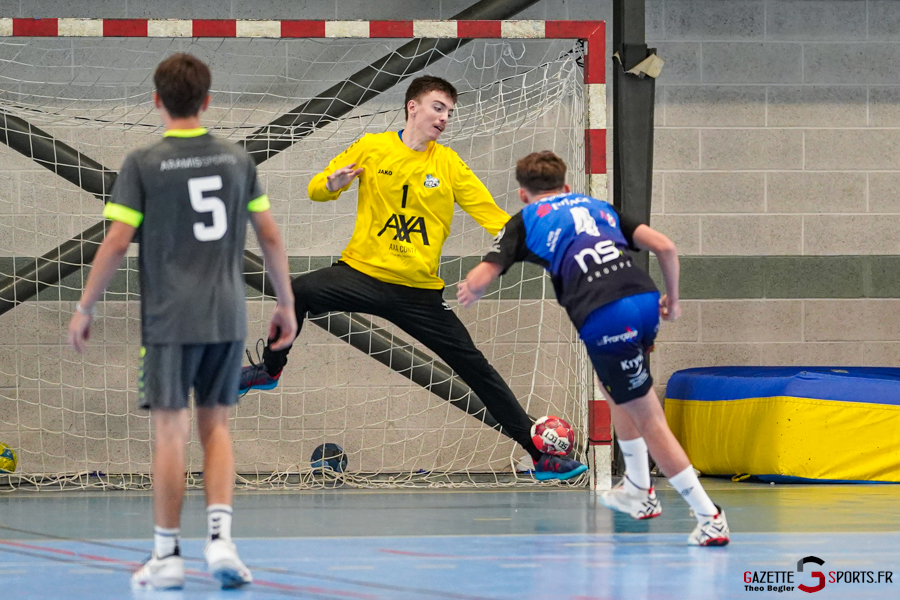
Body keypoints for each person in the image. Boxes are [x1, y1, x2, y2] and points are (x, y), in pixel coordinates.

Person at [239, 75, 586, 481]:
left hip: (418, 294)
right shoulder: (372, 147)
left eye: (449, 112)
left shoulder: (449, 164)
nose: (444, 118)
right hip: (361, 274)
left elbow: (494, 218)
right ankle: (270, 369)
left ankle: (541, 456)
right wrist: (332, 184)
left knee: (476, 368)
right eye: (438, 108)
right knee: (296, 292)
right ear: (412, 107)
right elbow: (317, 188)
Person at [67, 53, 298, 590]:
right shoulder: (237, 160)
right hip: (225, 314)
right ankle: (221, 543)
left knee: (170, 433)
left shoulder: (143, 163)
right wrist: (285, 303)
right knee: (216, 428)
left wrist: (85, 307)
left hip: (168, 320)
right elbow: (270, 236)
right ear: (207, 101)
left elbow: (117, 242)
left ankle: (167, 554)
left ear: (156, 100)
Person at [457, 151, 730, 546]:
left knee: (649, 417)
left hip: (607, 315)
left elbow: (483, 276)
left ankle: (709, 516)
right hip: (644, 300)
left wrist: (471, 288)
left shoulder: (526, 219)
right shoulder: (596, 206)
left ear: (522, 194)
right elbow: (666, 247)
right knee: (612, 387)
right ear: (566, 186)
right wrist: (673, 301)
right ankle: (638, 488)